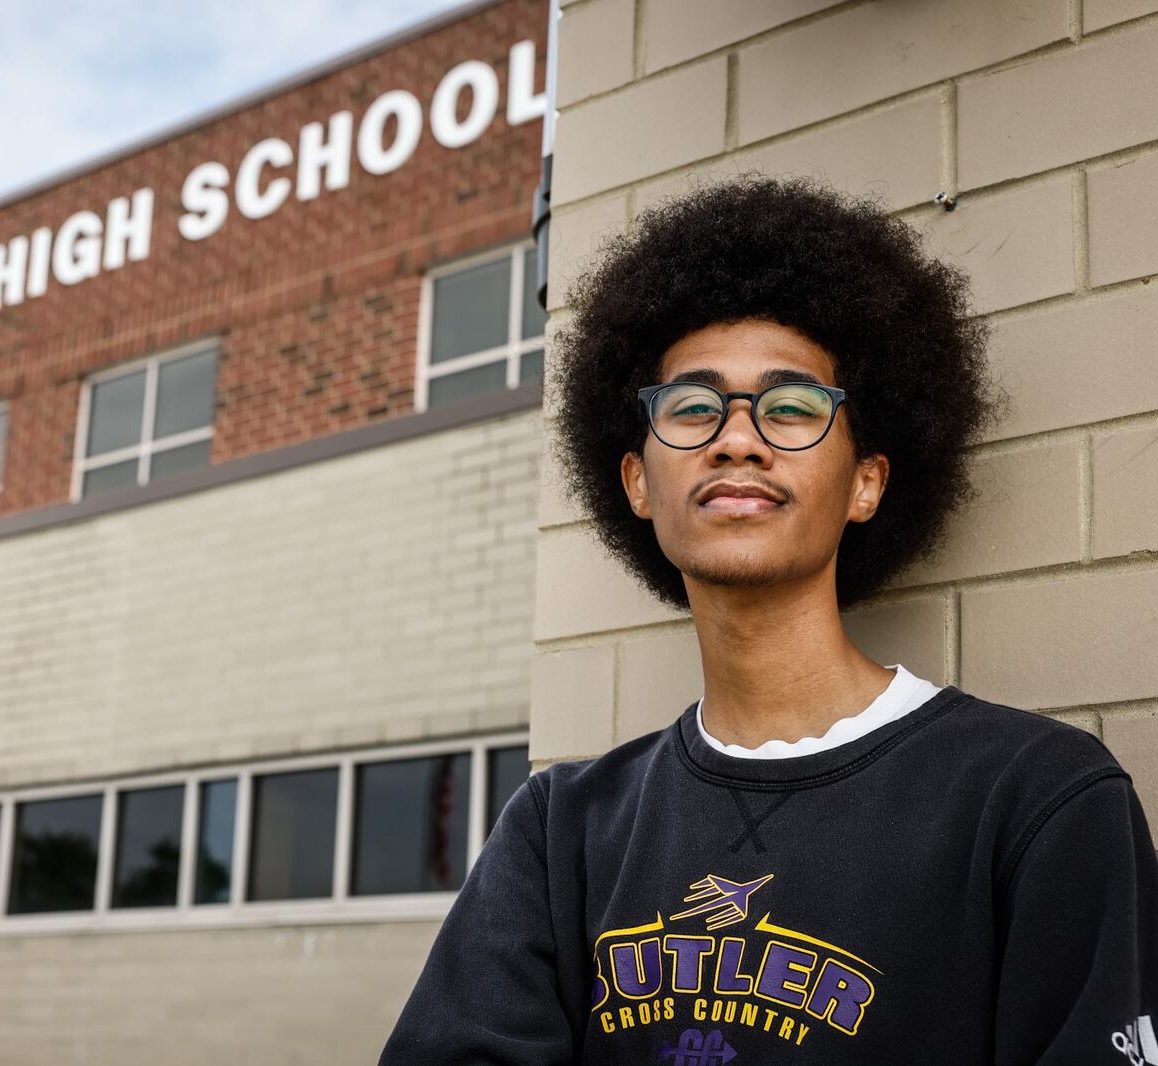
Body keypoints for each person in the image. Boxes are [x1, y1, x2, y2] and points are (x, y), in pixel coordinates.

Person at [378, 173, 1157, 1064]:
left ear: (866, 481)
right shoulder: (562, 829)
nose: (736, 437)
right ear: (637, 480)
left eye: (790, 407)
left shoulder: (1034, 798)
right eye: (692, 407)